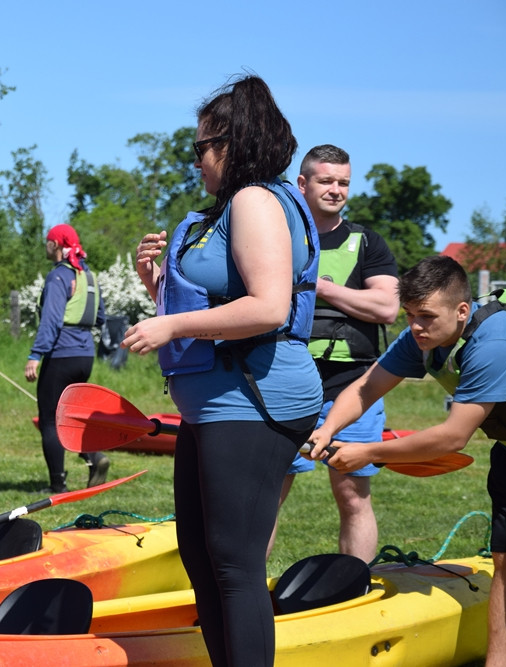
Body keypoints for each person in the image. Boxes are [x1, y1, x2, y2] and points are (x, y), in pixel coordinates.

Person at [122, 75, 322, 666]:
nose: (196, 161)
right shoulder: (229, 209)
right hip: (216, 406)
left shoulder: (255, 201)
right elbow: (217, 299)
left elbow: (268, 306)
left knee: (233, 562)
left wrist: (171, 327)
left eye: (200, 149)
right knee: (202, 555)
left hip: (255, 401)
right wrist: (158, 289)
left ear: (234, 146)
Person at [307, 255, 506, 667]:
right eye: (410, 315)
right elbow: (365, 387)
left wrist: (369, 452)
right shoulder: (420, 338)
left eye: (427, 316)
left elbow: (454, 436)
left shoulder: (495, 341)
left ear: (462, 310)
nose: (416, 326)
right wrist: (326, 430)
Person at [268, 145, 399, 562]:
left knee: (352, 494)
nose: (336, 189)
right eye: (326, 181)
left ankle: (352, 586)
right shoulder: (276, 239)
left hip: (354, 384)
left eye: (343, 182)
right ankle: (245, 597)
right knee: (268, 494)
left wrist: (321, 287)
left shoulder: (367, 243)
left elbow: (387, 307)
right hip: (285, 379)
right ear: (302, 184)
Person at [24, 223, 109, 493]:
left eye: (48, 241)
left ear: (57, 245)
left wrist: (36, 355)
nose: (45, 246)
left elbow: (50, 320)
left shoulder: (59, 276)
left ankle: (57, 485)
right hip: (85, 356)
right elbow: (100, 317)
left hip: (61, 353)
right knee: (72, 414)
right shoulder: (89, 276)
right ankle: (94, 456)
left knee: (49, 418)